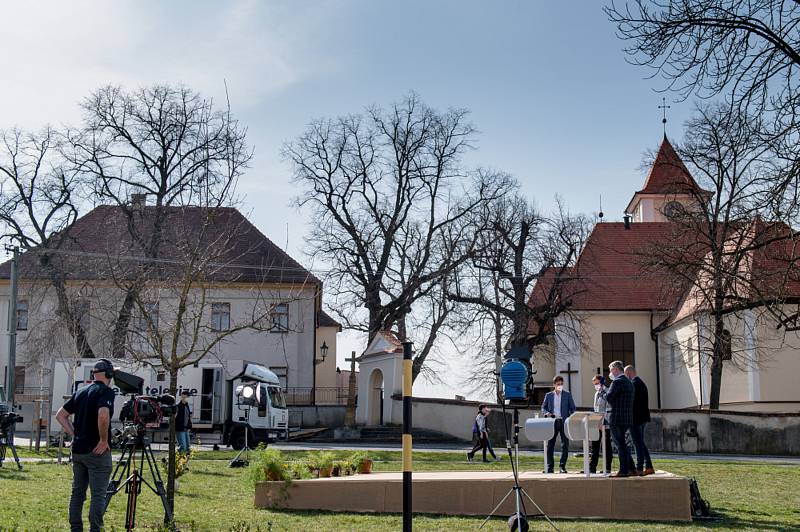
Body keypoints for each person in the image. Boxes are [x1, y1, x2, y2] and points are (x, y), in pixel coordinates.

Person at [56, 358, 116, 532]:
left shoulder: (81, 391)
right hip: (97, 452)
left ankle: (76, 528)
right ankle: (95, 529)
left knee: (77, 493)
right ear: (109, 374)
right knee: (98, 494)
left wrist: (76, 434)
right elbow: (103, 415)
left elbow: (60, 415)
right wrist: (104, 440)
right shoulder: (106, 392)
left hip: (79, 451)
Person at [600, 360, 635, 478]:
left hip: (616, 418)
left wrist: (603, 393)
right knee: (623, 444)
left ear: (615, 369)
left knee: (620, 445)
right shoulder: (629, 382)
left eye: (610, 370)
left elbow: (609, 398)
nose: (610, 373)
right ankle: (632, 469)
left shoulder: (616, 382)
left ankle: (623, 470)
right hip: (627, 417)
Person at [541, 375, 576, 473]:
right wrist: (546, 413)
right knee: (550, 445)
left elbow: (573, 408)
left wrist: (569, 418)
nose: (560, 386)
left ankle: (562, 467)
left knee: (565, 445)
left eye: (561, 384)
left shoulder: (567, 394)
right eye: (558, 384)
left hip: (564, 422)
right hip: (552, 422)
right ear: (554, 385)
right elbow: (543, 408)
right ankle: (550, 467)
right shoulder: (549, 395)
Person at [625, 365, 655, 476]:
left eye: (625, 374)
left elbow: (632, 403)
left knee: (637, 444)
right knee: (640, 443)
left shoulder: (633, 384)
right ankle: (649, 466)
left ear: (628, 373)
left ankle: (639, 467)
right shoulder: (641, 383)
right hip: (642, 418)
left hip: (636, 418)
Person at [589, 374, 613, 474]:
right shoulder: (596, 393)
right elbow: (596, 409)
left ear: (601, 382)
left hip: (605, 424)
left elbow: (608, 409)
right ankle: (592, 468)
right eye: (594, 383)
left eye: (596, 383)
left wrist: (602, 421)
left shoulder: (607, 392)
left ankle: (607, 467)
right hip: (596, 423)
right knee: (595, 446)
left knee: (607, 446)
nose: (595, 385)